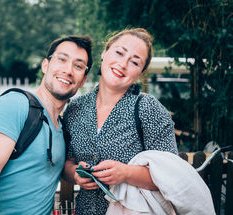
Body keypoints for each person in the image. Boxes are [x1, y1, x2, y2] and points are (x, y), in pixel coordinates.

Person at [0, 35, 93, 215]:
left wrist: (76, 173)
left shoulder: (62, 128)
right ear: (45, 65)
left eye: (78, 66)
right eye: (62, 59)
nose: (68, 70)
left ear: (83, 80)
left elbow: (46, 170)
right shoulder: (15, 104)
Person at [62, 28, 178, 215]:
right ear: (104, 52)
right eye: (119, 53)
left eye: (134, 62)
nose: (123, 64)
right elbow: (67, 161)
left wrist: (125, 173)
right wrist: (75, 173)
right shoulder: (75, 108)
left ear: (140, 72)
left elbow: (171, 174)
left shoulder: (148, 108)